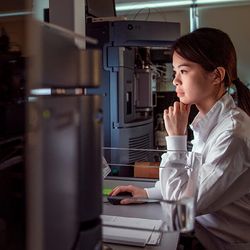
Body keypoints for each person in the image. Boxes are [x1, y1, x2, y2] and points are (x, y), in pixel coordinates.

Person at [110, 27, 250, 250]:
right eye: (175, 71)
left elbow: (179, 211)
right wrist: (148, 193)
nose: (175, 80)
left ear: (216, 75)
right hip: (205, 236)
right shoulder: (210, 122)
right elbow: (191, 185)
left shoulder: (232, 134)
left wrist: (175, 138)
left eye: (183, 71)